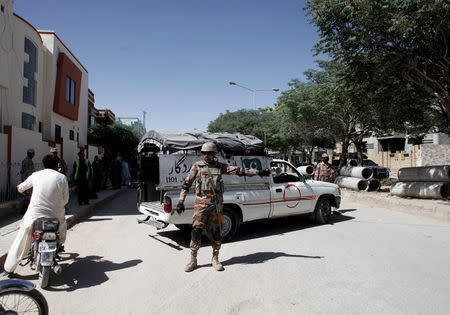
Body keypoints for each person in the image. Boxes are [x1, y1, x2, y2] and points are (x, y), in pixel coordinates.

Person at [176, 142, 271, 272]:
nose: (207, 155)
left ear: (214, 154)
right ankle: (193, 259)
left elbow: (240, 171)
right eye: (204, 153)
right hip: (200, 204)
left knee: (216, 232)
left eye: (209, 153)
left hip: (215, 204)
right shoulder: (197, 166)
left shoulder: (220, 167)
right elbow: (186, 184)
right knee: (196, 231)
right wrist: (181, 201)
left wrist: (259, 172)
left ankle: (215, 258)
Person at [2, 154, 69, 277]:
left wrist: (21, 190)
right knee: (62, 228)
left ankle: (9, 268)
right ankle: (58, 245)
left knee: (21, 239)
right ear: (57, 165)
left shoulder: (36, 175)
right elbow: (66, 200)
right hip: (55, 215)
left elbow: (21, 187)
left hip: (35, 215)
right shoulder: (62, 178)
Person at [18, 149, 35, 213]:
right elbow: (28, 172)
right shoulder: (27, 161)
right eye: (32, 154)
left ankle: (24, 209)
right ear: (29, 154)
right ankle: (24, 210)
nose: (33, 155)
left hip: (27, 181)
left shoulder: (28, 160)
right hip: (27, 181)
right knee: (26, 196)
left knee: (26, 196)